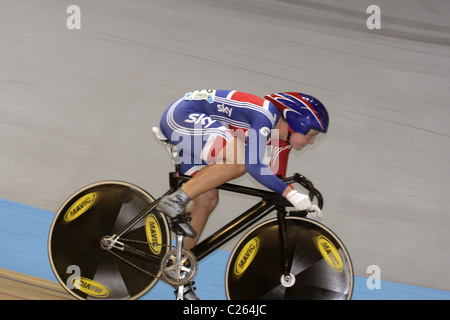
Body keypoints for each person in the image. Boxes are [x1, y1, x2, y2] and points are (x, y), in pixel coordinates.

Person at [156, 89, 329, 299]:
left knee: (207, 201)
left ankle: (178, 273)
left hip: (199, 129)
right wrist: (292, 194)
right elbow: (254, 166)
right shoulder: (265, 116)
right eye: (311, 135)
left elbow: (277, 183)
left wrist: (303, 208)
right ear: (296, 123)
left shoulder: (282, 141)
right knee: (240, 161)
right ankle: (175, 200)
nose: (311, 142)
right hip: (183, 116)